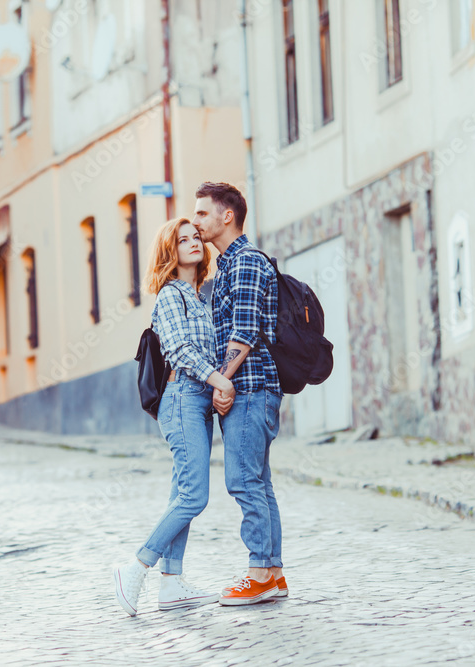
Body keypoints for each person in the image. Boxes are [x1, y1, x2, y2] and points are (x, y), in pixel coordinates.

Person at [113, 217, 237, 616]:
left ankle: (172, 584)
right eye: (183, 240)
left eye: (196, 237)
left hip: (200, 400)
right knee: (193, 495)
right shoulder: (170, 296)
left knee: (180, 492)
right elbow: (181, 351)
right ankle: (137, 567)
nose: (194, 243)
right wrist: (220, 380)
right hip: (182, 398)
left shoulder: (201, 297)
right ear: (171, 251)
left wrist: (217, 386)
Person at [192, 182, 286, 605]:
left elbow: (244, 332)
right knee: (260, 483)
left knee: (243, 482)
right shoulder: (227, 265)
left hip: (249, 390)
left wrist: (223, 381)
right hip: (249, 390)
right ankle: (274, 572)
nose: (195, 222)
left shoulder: (245, 262)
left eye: (201, 214)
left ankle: (259, 573)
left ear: (226, 216)